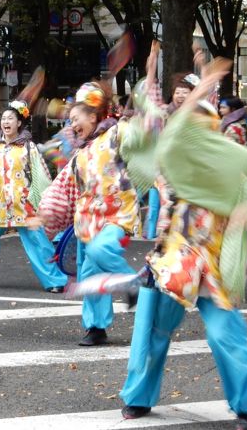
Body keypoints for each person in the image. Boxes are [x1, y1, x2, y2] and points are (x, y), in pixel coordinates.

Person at [119, 59, 247, 430]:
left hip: (212, 264)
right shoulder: (174, 158)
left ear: (213, 129)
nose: (193, 125)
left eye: (203, 121)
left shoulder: (228, 163)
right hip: (173, 261)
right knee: (152, 331)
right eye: (191, 120)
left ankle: (244, 407)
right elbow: (160, 126)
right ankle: (138, 397)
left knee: (225, 334)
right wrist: (184, 85)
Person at [39, 75, 162, 346]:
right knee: (91, 278)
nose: (72, 125)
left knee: (100, 251)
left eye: (76, 119)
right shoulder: (80, 153)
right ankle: (96, 327)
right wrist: (48, 209)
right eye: (70, 121)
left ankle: (131, 284)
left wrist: (146, 95)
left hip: (116, 216)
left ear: (94, 116)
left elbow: (143, 132)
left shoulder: (117, 134)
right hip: (86, 223)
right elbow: (64, 186)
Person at [0, 100, 67, 292]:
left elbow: (41, 175)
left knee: (38, 243)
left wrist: (45, 201)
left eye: (10, 118)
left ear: (19, 123)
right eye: (3, 118)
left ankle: (54, 281)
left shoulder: (29, 148)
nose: (6, 122)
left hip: (23, 204)